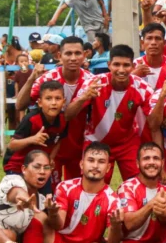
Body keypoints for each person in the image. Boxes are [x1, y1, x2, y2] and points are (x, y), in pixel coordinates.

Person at [13, 143, 120, 243]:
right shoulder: (66, 186)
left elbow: (113, 242)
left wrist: (116, 226)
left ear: (108, 167)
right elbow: (59, 224)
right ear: (81, 164)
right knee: (38, 218)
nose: (95, 166)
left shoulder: (112, 198)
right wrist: (53, 213)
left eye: (101, 161)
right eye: (91, 160)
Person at [66, 45, 157, 184]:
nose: (121, 70)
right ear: (109, 65)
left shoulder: (142, 87)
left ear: (133, 66)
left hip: (127, 143)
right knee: (92, 184)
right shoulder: (94, 83)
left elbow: (155, 120)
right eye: (116, 64)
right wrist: (84, 97)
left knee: (139, 184)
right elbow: (68, 115)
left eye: (126, 65)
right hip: (96, 140)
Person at [17, 36, 93, 182]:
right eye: (68, 54)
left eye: (77, 53)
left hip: (78, 147)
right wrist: (31, 78)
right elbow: (20, 105)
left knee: (75, 191)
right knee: (48, 193)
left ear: (84, 55)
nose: (73, 58)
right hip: (49, 147)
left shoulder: (92, 81)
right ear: (59, 56)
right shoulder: (48, 78)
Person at [5, 81, 67, 190]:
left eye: (58, 99)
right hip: (17, 166)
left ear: (64, 102)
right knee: (20, 198)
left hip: (40, 167)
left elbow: (59, 140)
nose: (53, 103)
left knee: (45, 198)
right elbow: (12, 145)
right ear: (40, 102)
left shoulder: (63, 120)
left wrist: (50, 158)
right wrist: (32, 139)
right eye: (48, 99)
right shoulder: (31, 119)